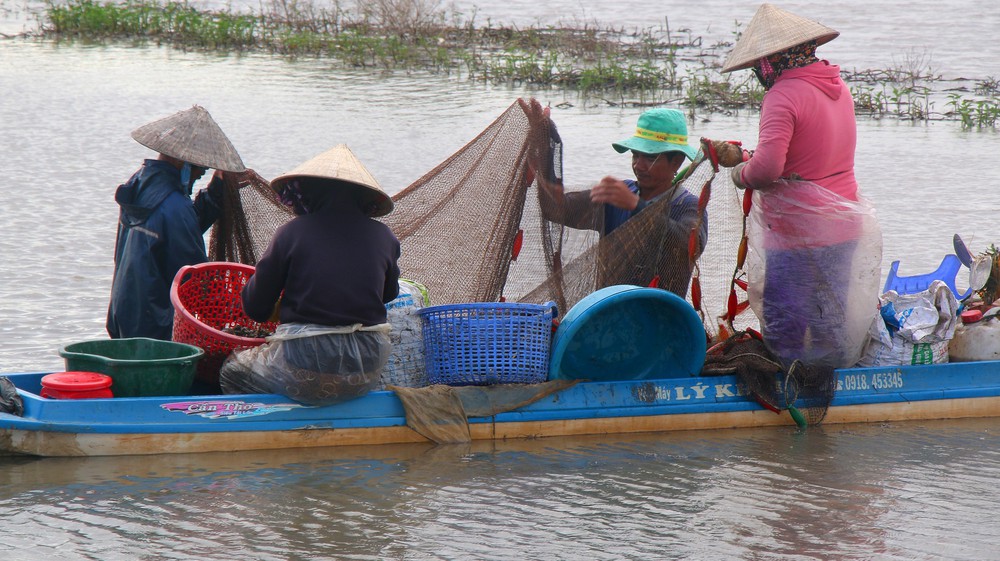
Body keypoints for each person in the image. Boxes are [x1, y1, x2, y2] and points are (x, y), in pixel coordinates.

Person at [722, 4, 882, 369]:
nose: (759, 73)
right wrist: (746, 154)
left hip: (799, 233)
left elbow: (766, 170)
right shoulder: (836, 86)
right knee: (829, 317)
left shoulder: (782, 94)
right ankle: (831, 393)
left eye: (759, 65)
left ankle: (791, 396)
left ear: (771, 61)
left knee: (786, 322)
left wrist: (739, 173)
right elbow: (808, 155)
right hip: (842, 222)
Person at [219, 144, 401, 406]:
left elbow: (256, 308)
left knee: (232, 371)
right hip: (366, 366)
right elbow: (389, 294)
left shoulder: (291, 233)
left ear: (309, 193)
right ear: (363, 198)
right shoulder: (385, 236)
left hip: (305, 362)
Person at [520, 98, 708, 297]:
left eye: (650, 158)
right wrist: (546, 139)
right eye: (635, 155)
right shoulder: (617, 195)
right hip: (610, 311)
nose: (638, 165)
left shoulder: (688, 206)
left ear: (676, 162)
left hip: (661, 316)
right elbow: (555, 209)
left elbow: (687, 246)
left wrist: (637, 206)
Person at [107, 105, 245, 341]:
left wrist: (216, 190)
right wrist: (235, 312)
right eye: (200, 167)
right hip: (157, 331)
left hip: (124, 318)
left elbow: (175, 229)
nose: (201, 173)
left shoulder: (140, 184)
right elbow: (196, 281)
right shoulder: (175, 208)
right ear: (184, 163)